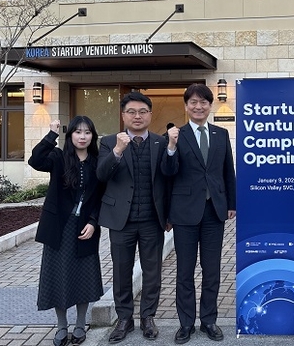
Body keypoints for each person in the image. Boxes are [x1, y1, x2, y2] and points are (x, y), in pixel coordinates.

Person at [163, 83, 236, 344]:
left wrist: (231, 203)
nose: (198, 106)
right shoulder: (176, 135)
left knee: (211, 269)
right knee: (184, 271)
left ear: (210, 105)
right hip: (184, 212)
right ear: (186, 106)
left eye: (203, 102)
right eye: (193, 102)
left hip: (214, 210)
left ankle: (209, 320)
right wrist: (171, 147)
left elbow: (228, 171)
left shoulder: (220, 134)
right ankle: (186, 323)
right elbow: (167, 173)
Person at [97, 91, 169, 343]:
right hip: (121, 220)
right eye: (131, 112)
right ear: (123, 115)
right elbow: (101, 175)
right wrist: (118, 150)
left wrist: (169, 215)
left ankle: (148, 317)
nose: (137, 116)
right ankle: (124, 319)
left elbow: (168, 180)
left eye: (142, 112)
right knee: (121, 272)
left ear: (150, 114)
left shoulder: (160, 143)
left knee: (152, 272)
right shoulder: (109, 142)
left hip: (152, 220)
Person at [28, 116, 104, 346]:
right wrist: (52, 134)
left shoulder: (97, 162)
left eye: (87, 132)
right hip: (59, 228)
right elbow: (35, 160)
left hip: (85, 228)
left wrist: (94, 222)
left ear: (92, 136)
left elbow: (100, 197)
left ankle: (80, 325)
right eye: (78, 132)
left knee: (84, 276)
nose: (82, 136)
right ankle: (62, 326)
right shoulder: (58, 157)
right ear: (70, 135)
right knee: (59, 276)